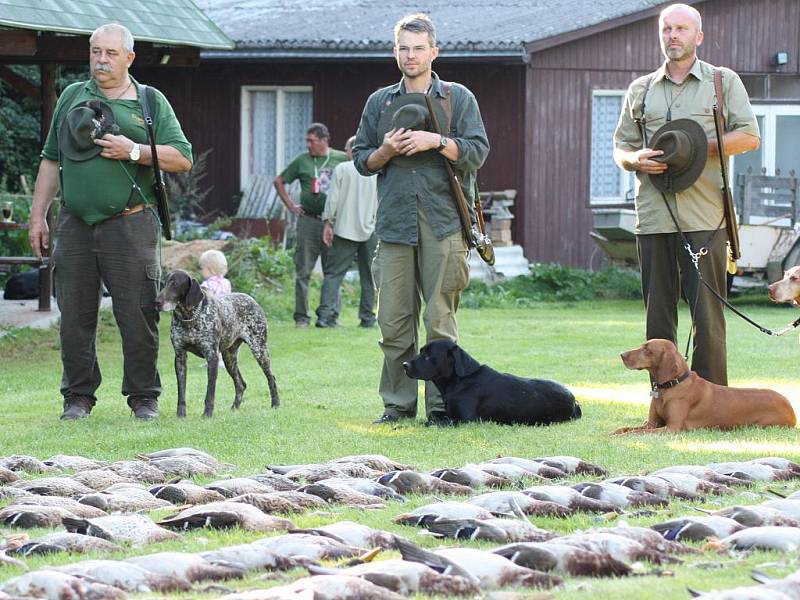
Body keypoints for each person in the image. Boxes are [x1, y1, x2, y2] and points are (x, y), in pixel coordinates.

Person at [28, 23, 193, 420]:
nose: (101, 60)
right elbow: (52, 159)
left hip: (132, 224)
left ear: (129, 58)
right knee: (75, 316)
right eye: (95, 51)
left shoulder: (150, 102)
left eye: (110, 53)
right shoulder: (71, 96)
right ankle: (78, 398)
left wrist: (133, 150)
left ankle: (143, 398)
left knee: (138, 313)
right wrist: (38, 217)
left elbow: (182, 157)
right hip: (75, 223)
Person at [352, 13, 489, 425]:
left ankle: (443, 407)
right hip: (394, 224)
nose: (410, 56)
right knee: (393, 322)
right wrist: (387, 151)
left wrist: (438, 141)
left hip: (444, 222)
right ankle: (397, 405)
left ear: (434, 52)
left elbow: (478, 151)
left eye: (418, 48)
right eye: (403, 48)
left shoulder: (457, 97)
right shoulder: (379, 102)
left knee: (439, 320)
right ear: (395, 52)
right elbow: (362, 160)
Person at [613, 3, 759, 386]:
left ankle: (712, 401)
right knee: (657, 315)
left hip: (706, 217)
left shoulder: (722, 82)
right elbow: (621, 148)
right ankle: (664, 399)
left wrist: (696, 148)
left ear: (699, 36)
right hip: (654, 215)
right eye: (666, 29)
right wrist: (634, 160)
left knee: (707, 314)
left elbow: (749, 136)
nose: (672, 36)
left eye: (680, 29)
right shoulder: (640, 90)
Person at [274, 123, 347, 328]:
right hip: (309, 221)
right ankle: (301, 317)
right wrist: (291, 206)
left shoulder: (341, 158)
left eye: (312, 140)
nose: (308, 145)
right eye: (307, 140)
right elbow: (279, 181)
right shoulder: (302, 160)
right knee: (303, 269)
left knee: (333, 270)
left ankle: (331, 315)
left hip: (333, 222)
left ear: (324, 140)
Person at [318, 135, 379, 328]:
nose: (345, 152)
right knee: (369, 277)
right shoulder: (377, 171)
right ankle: (368, 317)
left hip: (344, 229)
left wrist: (328, 223)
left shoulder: (342, 169)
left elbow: (332, 199)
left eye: (346, 148)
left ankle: (325, 317)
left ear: (354, 149)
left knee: (334, 274)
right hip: (371, 229)